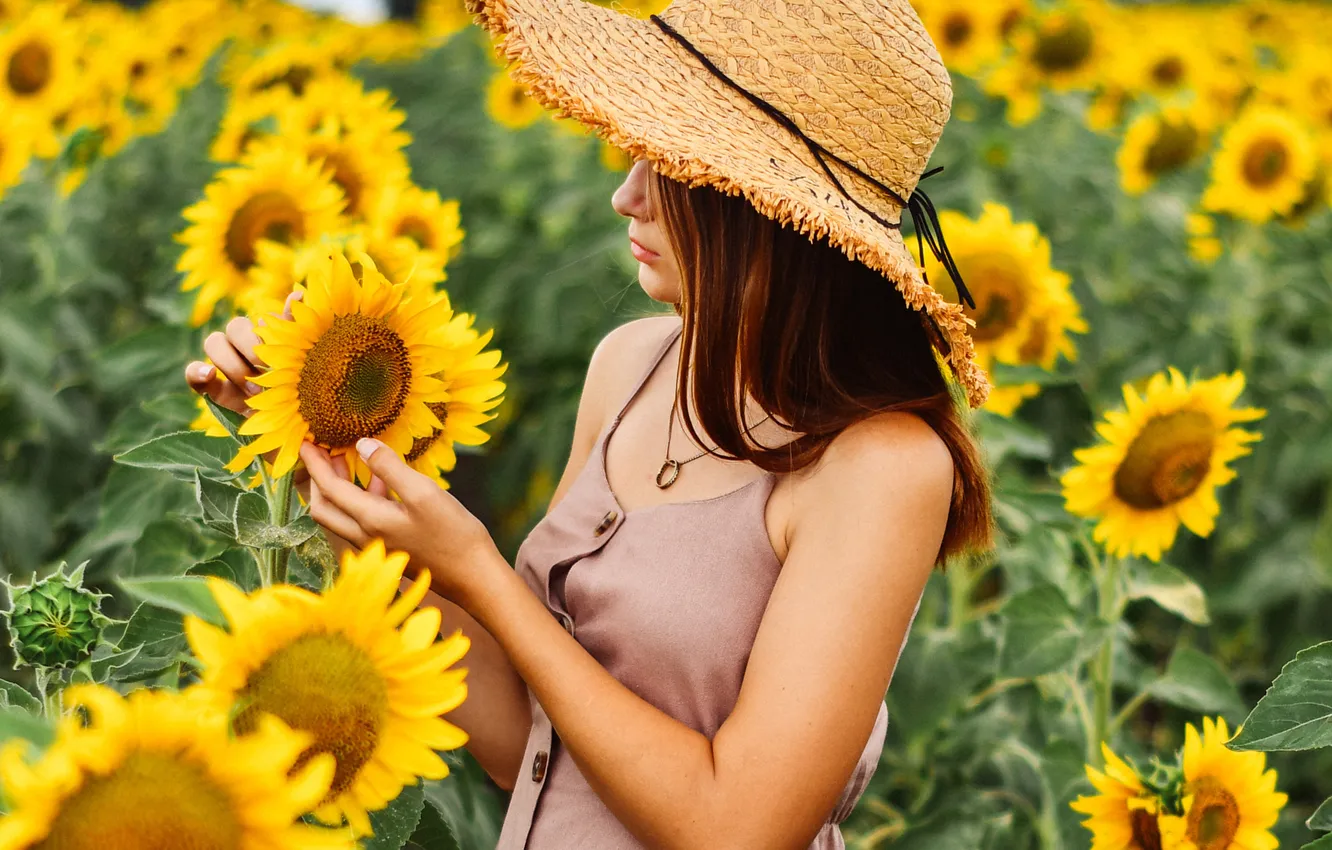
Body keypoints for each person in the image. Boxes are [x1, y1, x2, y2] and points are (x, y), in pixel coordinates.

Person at [185, 0, 996, 846]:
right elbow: (526, 747)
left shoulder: (882, 466)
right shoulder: (633, 367)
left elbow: (741, 830)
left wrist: (483, 577)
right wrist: (331, 444)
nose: (625, 194)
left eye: (668, 162)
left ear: (761, 205)